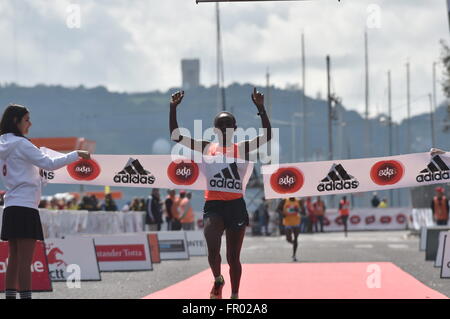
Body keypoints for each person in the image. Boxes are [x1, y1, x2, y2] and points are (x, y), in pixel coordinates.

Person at [169, 88, 271, 299]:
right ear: (215, 129)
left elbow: (267, 136)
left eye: (228, 124)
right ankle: (218, 279)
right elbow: (176, 137)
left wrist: (261, 108)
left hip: (236, 206)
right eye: (220, 125)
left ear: (235, 128)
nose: (224, 127)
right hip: (213, 205)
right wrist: (173, 108)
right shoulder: (207, 147)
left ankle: (234, 295)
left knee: (233, 257)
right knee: (213, 251)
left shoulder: (242, 148)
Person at [0, 104, 90, 299]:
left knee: (13, 259)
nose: (30, 123)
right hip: (25, 207)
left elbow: (28, 171)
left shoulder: (3, 144)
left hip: (11, 206)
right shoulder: (22, 144)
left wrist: (39, 178)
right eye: (26, 119)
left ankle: (9, 297)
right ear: (16, 121)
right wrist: (76, 154)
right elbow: (49, 163)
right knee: (25, 260)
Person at [280, 197, 301, 262]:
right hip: (287, 222)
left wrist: (298, 210)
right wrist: (283, 214)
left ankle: (294, 255)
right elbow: (278, 209)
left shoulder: (299, 201)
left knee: (296, 239)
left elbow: (303, 210)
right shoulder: (284, 200)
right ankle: (293, 243)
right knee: (288, 238)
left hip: (296, 222)